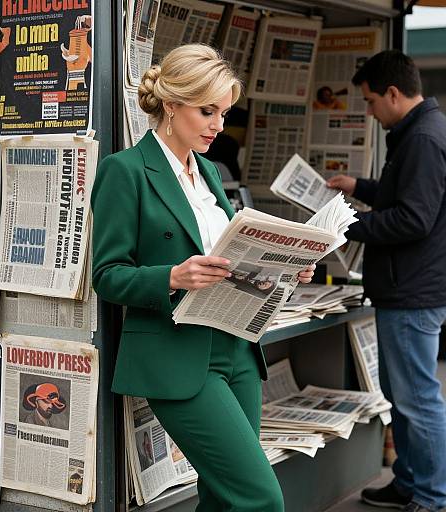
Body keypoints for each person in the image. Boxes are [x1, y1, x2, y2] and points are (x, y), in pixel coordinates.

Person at [91, 43, 315, 512]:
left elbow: (231, 260)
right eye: (207, 111)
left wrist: (285, 267)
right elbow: (108, 276)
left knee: (222, 496)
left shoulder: (210, 171)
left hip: (238, 350)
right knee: (260, 498)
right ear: (171, 105)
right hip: (179, 357)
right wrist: (172, 276)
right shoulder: (125, 171)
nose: (218, 125)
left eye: (224, 112)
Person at [327, 50, 446, 512]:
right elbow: (406, 196)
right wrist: (359, 186)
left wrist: (344, 227)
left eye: (372, 101)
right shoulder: (416, 132)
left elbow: (413, 219)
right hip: (408, 287)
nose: (369, 111)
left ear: (394, 94)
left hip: (413, 292)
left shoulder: (423, 140)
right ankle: (411, 483)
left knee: (418, 400)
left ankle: (433, 498)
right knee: (403, 396)